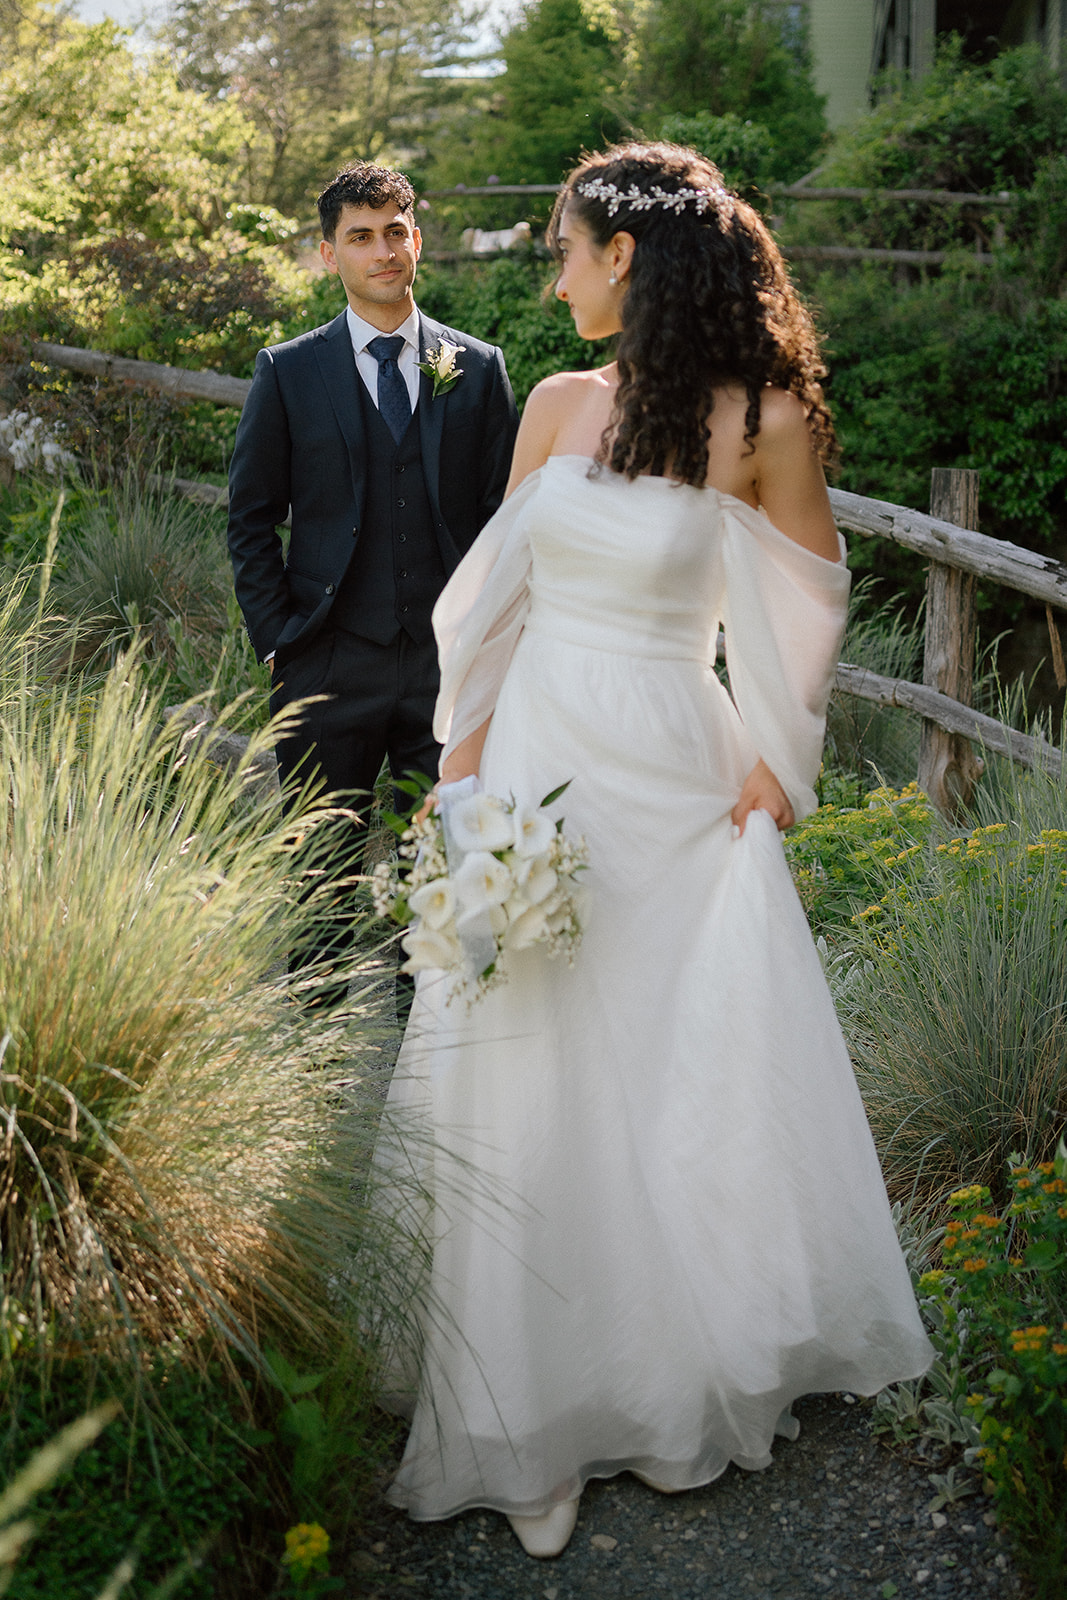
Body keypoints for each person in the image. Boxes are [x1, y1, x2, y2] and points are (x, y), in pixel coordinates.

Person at [374, 142, 933, 1559]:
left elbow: (806, 592)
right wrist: (461, 766)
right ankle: (520, 1413)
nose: (551, 268)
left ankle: (667, 1363)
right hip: (543, 753)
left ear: (624, 254)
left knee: (673, 1056)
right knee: (522, 1051)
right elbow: (494, 592)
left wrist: (776, 765)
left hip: (675, 773)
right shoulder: (556, 404)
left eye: (563, 244)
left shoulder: (760, 418)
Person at [227, 161, 519, 1005]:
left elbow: (504, 520)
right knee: (319, 879)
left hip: (446, 670)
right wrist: (280, 641)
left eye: (395, 231)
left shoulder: (478, 367)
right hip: (328, 662)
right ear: (330, 255)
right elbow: (250, 515)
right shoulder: (288, 370)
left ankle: (424, 1075)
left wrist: (491, 652)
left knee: (441, 873)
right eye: (361, 236)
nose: (382, 250)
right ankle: (313, 1073)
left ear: (416, 240)